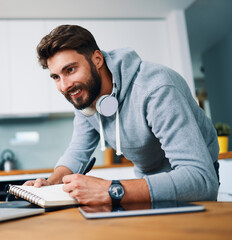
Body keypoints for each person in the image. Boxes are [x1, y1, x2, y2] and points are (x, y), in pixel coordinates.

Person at [24, 25, 220, 205]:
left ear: (97, 59)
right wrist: (51, 183)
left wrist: (111, 189)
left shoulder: (156, 88)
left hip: (191, 182)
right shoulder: (84, 95)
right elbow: (77, 151)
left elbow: (201, 180)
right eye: (56, 77)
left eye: (71, 70)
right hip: (148, 184)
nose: (64, 85)